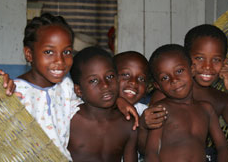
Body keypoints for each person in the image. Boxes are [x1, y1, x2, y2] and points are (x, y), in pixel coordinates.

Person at [14, 13, 139, 161]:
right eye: (49, 52)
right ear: (29, 54)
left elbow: (86, 104)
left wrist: (118, 100)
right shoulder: (14, 91)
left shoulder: (65, 86)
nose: (60, 61)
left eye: (66, 52)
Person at [149, 24, 228, 162]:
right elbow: (150, 146)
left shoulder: (221, 99)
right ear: (186, 59)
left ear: (224, 63)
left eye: (216, 60)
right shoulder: (167, 94)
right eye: (199, 58)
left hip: (207, 156)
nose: (207, 67)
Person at [145, 44, 228, 162]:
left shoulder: (206, 109)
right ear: (157, 86)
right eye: (165, 78)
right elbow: (151, 152)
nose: (174, 80)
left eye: (179, 71)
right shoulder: (161, 110)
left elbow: (222, 147)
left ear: (192, 70)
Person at [68, 46, 138, 162]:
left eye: (110, 76)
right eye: (93, 80)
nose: (105, 85)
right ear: (79, 90)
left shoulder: (128, 123)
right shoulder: (70, 120)